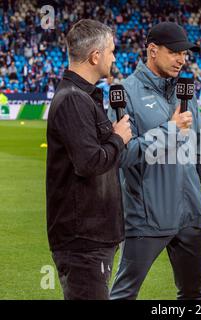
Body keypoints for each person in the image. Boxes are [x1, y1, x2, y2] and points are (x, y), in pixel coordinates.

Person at [109, 21, 201, 300]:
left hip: (189, 215)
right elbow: (123, 155)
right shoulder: (125, 93)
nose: (182, 60)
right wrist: (170, 130)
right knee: (124, 295)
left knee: (193, 295)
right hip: (147, 216)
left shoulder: (185, 91)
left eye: (185, 53)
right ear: (152, 50)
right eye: (175, 52)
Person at [46, 19, 132, 300]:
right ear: (96, 56)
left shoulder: (82, 97)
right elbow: (89, 162)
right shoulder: (73, 99)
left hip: (92, 235)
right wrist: (118, 137)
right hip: (83, 239)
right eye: (111, 51)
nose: (114, 57)